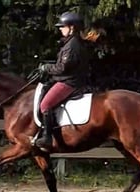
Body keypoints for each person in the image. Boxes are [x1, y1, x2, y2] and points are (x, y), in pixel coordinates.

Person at [35, 11, 101, 151]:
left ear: (72, 28)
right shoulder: (71, 43)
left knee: (45, 104)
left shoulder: (72, 45)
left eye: (63, 26)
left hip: (69, 82)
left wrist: (46, 68)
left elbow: (63, 68)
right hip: (69, 79)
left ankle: (47, 137)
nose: (60, 28)